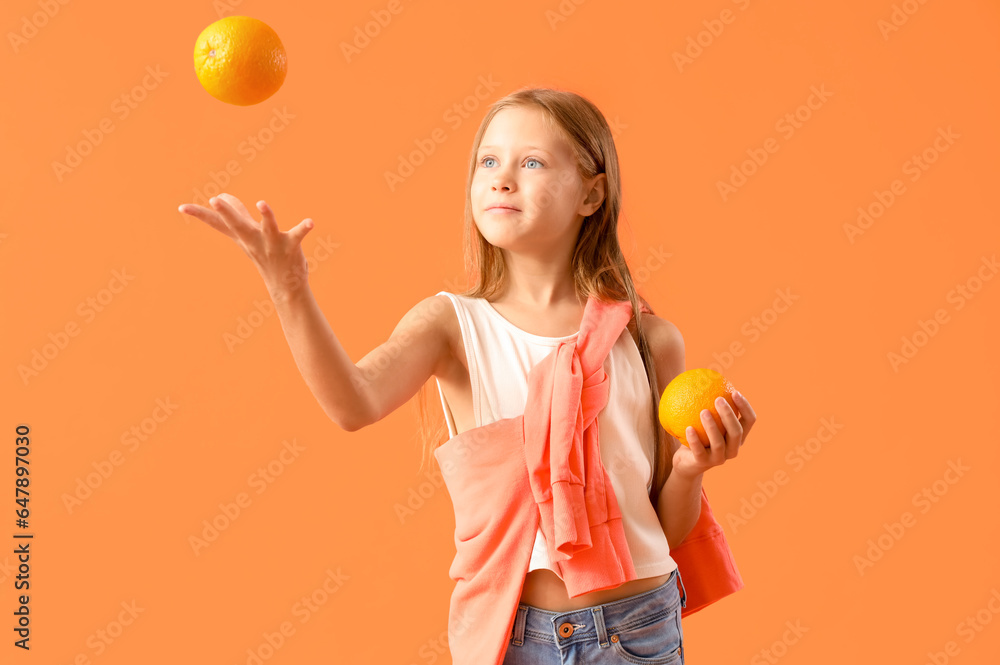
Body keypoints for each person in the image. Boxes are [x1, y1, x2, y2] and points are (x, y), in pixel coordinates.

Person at [178, 85, 757, 665]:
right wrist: (289, 290)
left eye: (531, 162)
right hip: (518, 639)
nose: (502, 178)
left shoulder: (648, 341)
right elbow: (353, 404)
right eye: (488, 161)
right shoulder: (451, 326)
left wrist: (689, 469)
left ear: (591, 193)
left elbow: (667, 528)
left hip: (640, 631)